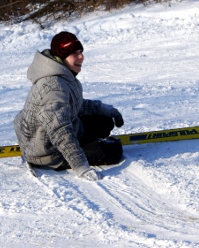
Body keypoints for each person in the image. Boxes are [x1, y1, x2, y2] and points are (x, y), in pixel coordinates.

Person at [14, 31, 124, 181]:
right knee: (113, 151)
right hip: (48, 152)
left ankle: (84, 144)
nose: (81, 57)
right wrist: (81, 167)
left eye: (81, 52)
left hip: (53, 135)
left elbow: (76, 104)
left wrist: (108, 110)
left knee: (104, 122)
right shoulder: (53, 87)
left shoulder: (63, 75)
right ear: (62, 56)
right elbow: (61, 131)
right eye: (74, 53)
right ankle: (78, 151)